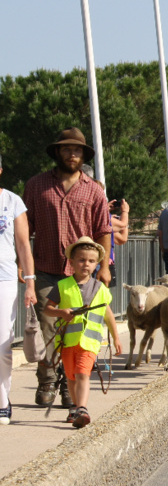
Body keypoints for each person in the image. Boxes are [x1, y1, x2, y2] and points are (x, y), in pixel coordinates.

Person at [23, 127, 112, 408]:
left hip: (81, 274)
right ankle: (47, 379)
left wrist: (105, 265)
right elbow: (24, 229)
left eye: (77, 151)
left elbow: (103, 230)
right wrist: (21, 265)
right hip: (46, 267)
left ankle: (67, 381)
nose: (72, 154)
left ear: (83, 155)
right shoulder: (36, 186)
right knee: (48, 326)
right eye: (67, 149)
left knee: (75, 329)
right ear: (57, 152)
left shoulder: (94, 190)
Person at [42, 237, 122, 428]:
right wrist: (61, 312)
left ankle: (82, 409)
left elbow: (107, 313)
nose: (86, 264)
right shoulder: (62, 286)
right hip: (67, 342)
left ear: (96, 264)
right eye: (81, 260)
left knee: (83, 374)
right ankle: (75, 407)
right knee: (70, 376)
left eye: (91, 261)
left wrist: (116, 337)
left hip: (90, 342)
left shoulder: (100, 288)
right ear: (71, 262)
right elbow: (47, 309)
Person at [1, 153, 37, 425]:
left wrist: (30, 283)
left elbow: (24, 245)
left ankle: (2, 400)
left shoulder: (12, 201)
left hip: (4, 280)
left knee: (2, 344)